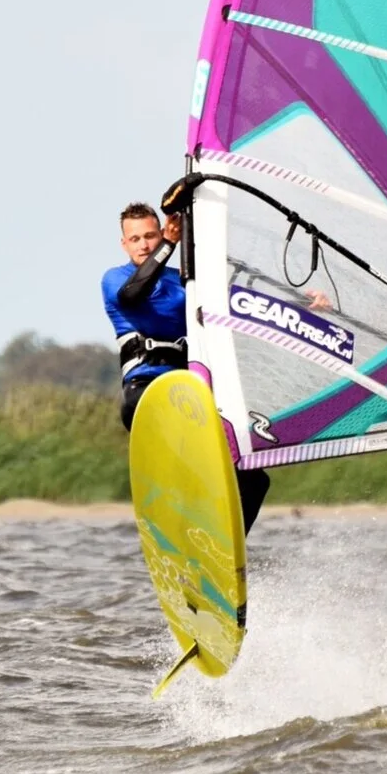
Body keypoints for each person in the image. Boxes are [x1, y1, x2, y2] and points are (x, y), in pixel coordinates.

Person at [104, 200, 271, 532]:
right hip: (146, 393)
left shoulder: (186, 280)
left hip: (192, 393)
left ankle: (225, 547)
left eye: (150, 235)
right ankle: (177, 519)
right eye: (135, 239)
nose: (144, 244)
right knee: (187, 466)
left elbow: (243, 304)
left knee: (254, 479)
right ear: (124, 244)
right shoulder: (116, 279)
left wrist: (308, 304)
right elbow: (133, 295)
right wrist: (168, 244)